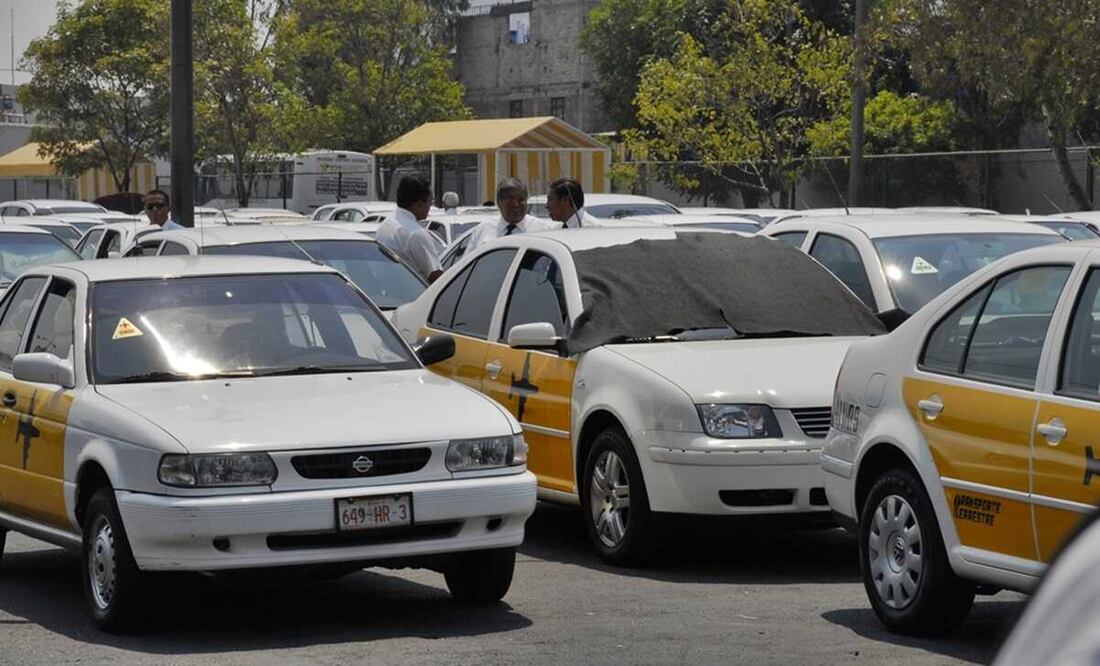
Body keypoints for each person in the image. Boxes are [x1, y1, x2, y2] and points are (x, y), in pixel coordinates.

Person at [376, 175, 443, 283]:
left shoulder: (385, 225)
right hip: (414, 296)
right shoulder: (416, 234)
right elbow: (436, 276)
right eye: (430, 201)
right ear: (419, 205)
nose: (430, 207)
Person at [466, 178, 558, 249]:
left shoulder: (543, 230)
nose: (515, 204)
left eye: (521, 199)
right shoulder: (482, 230)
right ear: (498, 202)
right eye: (509, 199)